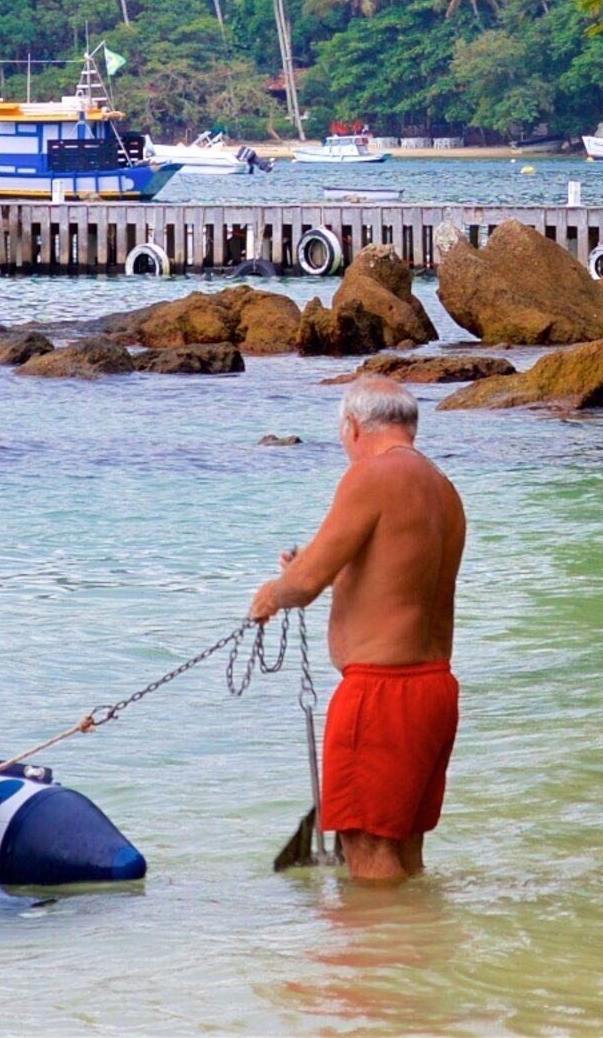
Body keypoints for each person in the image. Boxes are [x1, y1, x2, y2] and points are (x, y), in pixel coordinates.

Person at [250, 376, 467, 881]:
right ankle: (416, 955)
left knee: (367, 853)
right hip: (433, 689)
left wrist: (270, 595)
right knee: (403, 854)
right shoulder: (442, 488)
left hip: (381, 692)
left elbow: (303, 585)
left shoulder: (371, 475)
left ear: (352, 427)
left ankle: (370, 956)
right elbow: (399, 574)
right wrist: (314, 569)